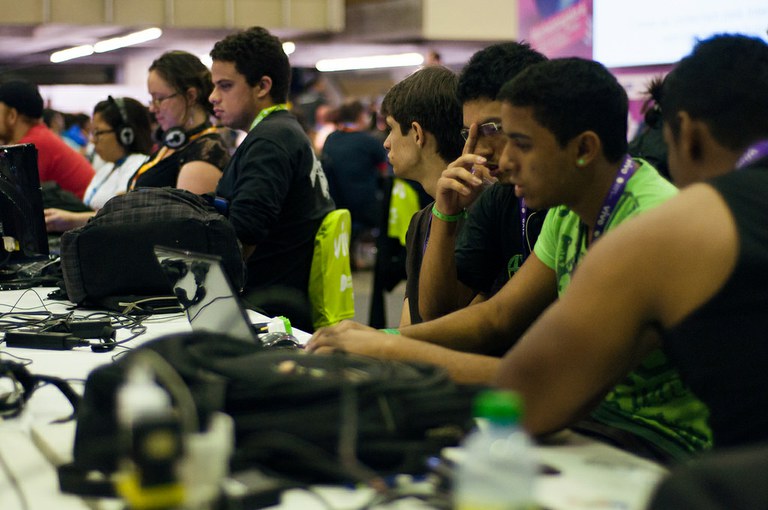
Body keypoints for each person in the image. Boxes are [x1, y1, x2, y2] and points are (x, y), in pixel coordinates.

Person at [310, 58, 711, 463]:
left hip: (660, 449)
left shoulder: (649, 226)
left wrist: (385, 349)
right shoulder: (568, 210)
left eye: (521, 143)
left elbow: (547, 387)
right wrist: (382, 340)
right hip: (596, 427)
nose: (504, 159)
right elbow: (497, 316)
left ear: (584, 149)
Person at [493, 34, 768, 450]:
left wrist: (389, 348)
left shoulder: (671, 225)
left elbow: (526, 399)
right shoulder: (569, 215)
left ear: (687, 136)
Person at [208, 26, 335, 330]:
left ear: (262, 86)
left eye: (225, 86)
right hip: (277, 308)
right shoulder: (284, 132)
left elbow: (242, 238)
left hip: (265, 316)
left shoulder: (270, 141)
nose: (213, 97)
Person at [418, 42, 548, 322]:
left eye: (492, 129)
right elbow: (435, 312)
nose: (480, 149)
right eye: (470, 133)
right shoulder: (498, 197)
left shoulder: (571, 202)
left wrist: (388, 340)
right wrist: (445, 213)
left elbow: (496, 322)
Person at [378, 65, 465, 326]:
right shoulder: (421, 221)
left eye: (391, 129)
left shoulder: (481, 213)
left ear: (417, 133)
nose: (386, 142)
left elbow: (442, 322)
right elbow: (410, 324)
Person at [44, 97, 154, 232]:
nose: (93, 140)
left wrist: (72, 219)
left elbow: (120, 213)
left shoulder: (139, 164)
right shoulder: (108, 167)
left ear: (126, 134)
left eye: (98, 132)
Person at [128, 50, 230, 194]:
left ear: (190, 96)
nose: (152, 108)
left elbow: (184, 216)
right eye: (152, 99)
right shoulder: (175, 145)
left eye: (160, 99)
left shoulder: (203, 156)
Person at [0, 80, 95, 200]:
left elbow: (14, 196)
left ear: (12, 116)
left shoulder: (32, 145)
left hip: (81, 215)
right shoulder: (39, 136)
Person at [322, 99, 388, 257]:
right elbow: (384, 171)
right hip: (364, 204)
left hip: (335, 203)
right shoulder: (370, 141)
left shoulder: (330, 139)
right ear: (360, 116)